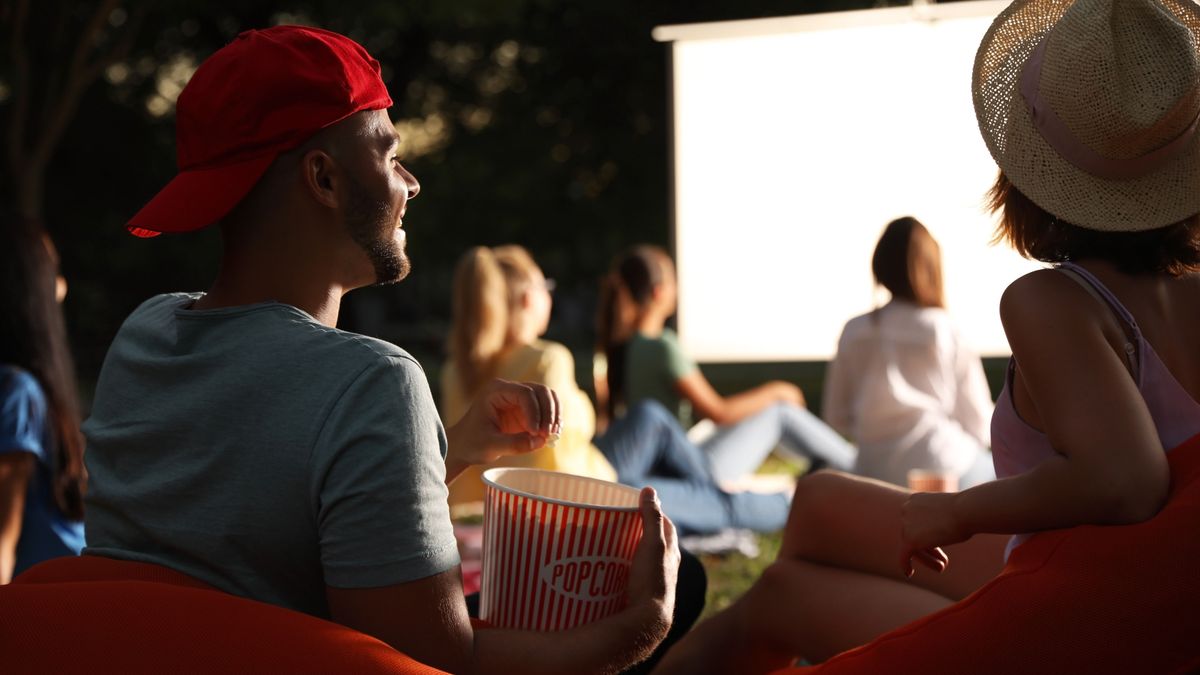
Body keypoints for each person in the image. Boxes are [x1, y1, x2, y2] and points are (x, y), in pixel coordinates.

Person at [80, 27, 679, 675]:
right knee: (692, 587)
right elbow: (443, 663)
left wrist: (449, 449)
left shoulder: (145, 333)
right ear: (325, 178)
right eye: (390, 155)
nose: (411, 183)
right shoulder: (373, 380)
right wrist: (645, 624)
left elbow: (260, 532)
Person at [655, 0, 1200, 670]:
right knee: (821, 502)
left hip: (1088, 613)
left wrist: (959, 511)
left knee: (784, 592)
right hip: (1140, 578)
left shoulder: (1053, 301)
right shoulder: (1185, 294)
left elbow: (1127, 478)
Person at [444, 245, 790, 534]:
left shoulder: (455, 372)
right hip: (584, 498)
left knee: (649, 416)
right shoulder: (548, 359)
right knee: (719, 504)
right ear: (526, 301)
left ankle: (708, 488)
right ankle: (790, 504)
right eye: (544, 287)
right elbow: (552, 461)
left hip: (543, 490)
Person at [596, 244, 856, 485]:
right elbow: (718, 411)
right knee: (780, 413)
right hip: (691, 468)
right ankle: (856, 465)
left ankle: (827, 464)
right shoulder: (662, 346)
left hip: (669, 460)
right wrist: (776, 391)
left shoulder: (629, 345)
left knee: (772, 416)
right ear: (659, 292)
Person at [822, 216, 995, 489]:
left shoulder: (854, 330)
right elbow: (980, 424)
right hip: (943, 467)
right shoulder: (943, 328)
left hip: (872, 471)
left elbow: (837, 416)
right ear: (931, 267)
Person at [0, 218, 87, 584]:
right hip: (47, 613)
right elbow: (3, 539)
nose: (63, 287)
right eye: (50, 270)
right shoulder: (18, 392)